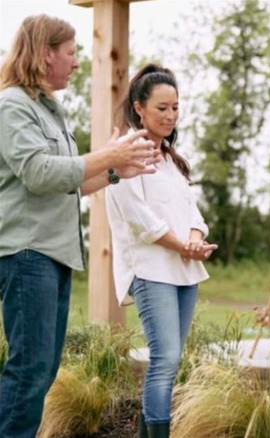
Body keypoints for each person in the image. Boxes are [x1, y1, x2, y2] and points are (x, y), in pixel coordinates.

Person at [0, 15, 160, 438]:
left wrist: (115, 171)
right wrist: (109, 155)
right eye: (70, 54)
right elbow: (39, 173)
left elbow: (66, 183)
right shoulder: (12, 105)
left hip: (52, 255)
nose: (75, 63)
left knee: (43, 368)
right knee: (30, 369)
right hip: (27, 253)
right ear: (44, 53)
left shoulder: (48, 110)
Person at [105, 64, 217, 438]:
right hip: (150, 270)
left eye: (175, 108)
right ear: (139, 107)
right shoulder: (122, 154)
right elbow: (141, 220)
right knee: (165, 359)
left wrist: (196, 238)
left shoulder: (170, 159)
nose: (170, 116)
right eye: (161, 108)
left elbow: (193, 212)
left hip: (184, 270)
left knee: (170, 361)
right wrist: (184, 244)